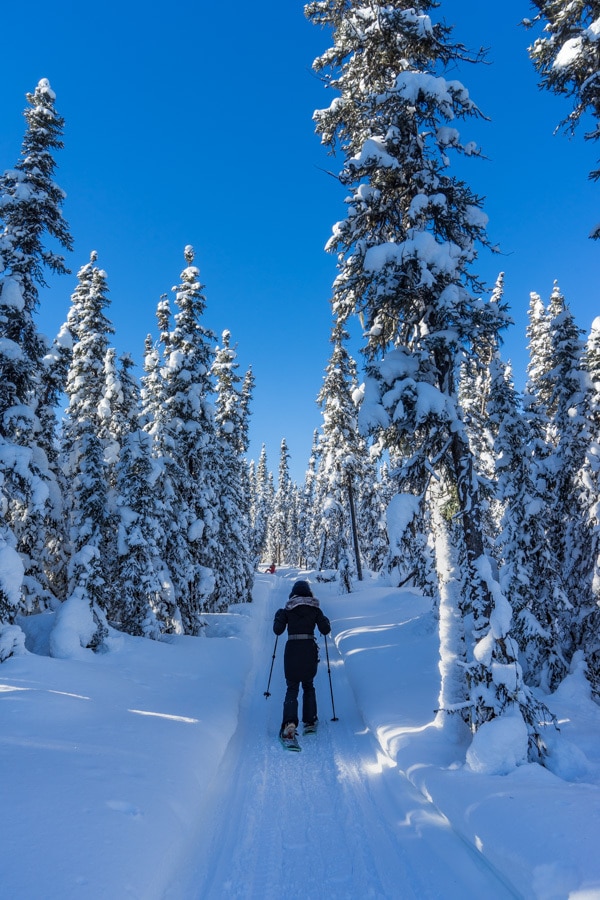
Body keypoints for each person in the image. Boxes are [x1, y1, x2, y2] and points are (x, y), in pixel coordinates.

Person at [273, 579, 331, 744]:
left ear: (293, 593)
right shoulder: (315, 610)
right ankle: (310, 721)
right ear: (309, 593)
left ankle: (289, 725)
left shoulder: (287, 610)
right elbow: (325, 630)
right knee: (308, 685)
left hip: (292, 651)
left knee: (292, 688)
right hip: (309, 651)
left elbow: (277, 630)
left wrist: (279, 616)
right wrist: (323, 619)